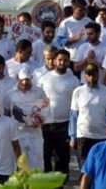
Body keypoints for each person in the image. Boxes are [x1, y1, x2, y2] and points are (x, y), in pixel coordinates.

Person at [37, 49, 80, 178]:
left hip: (64, 125)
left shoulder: (74, 81)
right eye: (59, 60)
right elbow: (38, 100)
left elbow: (77, 105)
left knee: (63, 159)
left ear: (69, 62)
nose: (62, 62)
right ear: (54, 61)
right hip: (46, 125)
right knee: (45, 158)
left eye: (65, 60)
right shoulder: (43, 79)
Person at [69, 64, 106, 166]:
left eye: (94, 75)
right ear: (85, 75)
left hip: (101, 135)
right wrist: (73, 137)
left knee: (101, 165)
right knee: (84, 166)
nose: (91, 78)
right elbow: (74, 116)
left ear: (98, 75)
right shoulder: (78, 92)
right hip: (83, 135)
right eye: (89, 75)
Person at [6, 66, 49, 170]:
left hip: (35, 135)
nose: (25, 83)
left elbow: (46, 110)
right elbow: (6, 114)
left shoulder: (39, 92)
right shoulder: (9, 94)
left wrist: (40, 121)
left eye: (27, 80)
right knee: (19, 166)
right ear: (18, 78)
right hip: (17, 134)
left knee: (36, 166)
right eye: (22, 80)